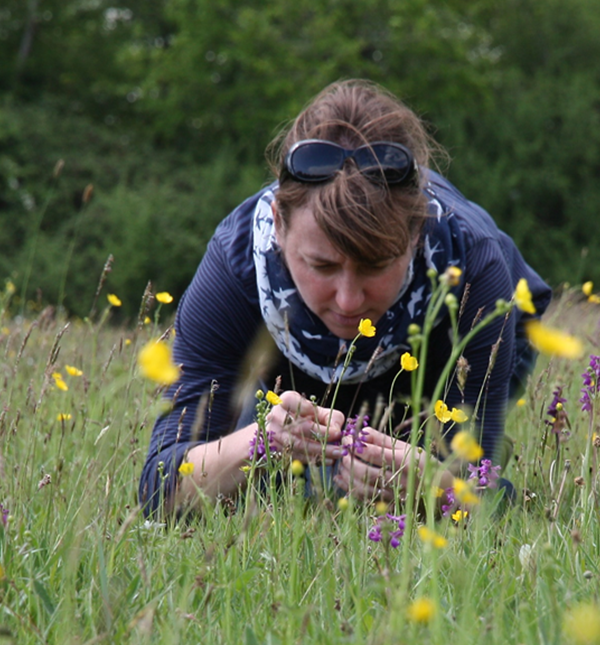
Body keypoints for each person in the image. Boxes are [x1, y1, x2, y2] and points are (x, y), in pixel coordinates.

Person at [139, 79, 551, 517]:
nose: (349, 300)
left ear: (416, 233)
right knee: (268, 489)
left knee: (417, 486)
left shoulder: (473, 267)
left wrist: (435, 485)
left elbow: (480, 497)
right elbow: (159, 489)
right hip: (288, 360)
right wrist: (261, 441)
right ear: (278, 224)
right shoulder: (235, 264)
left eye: (375, 266)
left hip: (441, 344)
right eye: (322, 266)